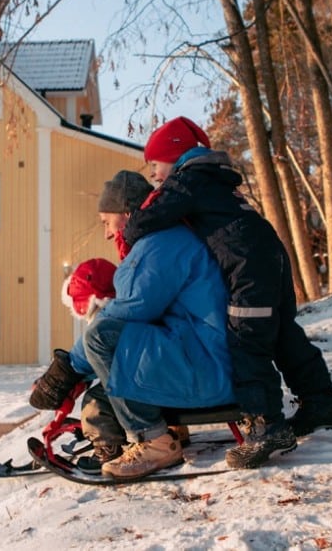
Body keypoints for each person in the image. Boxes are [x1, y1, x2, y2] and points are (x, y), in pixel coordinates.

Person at [123, 116, 332, 469]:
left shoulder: (188, 180)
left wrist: (134, 221)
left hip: (247, 266)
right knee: (283, 332)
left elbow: (144, 223)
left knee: (247, 339)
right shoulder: (216, 182)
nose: (153, 174)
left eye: (155, 163)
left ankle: (266, 425)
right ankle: (320, 403)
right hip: (270, 254)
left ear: (176, 156)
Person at [31, 170, 236, 479]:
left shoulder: (160, 245)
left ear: (126, 213)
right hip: (201, 357)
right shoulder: (161, 240)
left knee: (102, 337)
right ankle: (162, 429)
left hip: (206, 366)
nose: (106, 234)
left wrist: (69, 367)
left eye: (106, 221)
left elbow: (125, 314)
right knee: (112, 360)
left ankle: (153, 440)